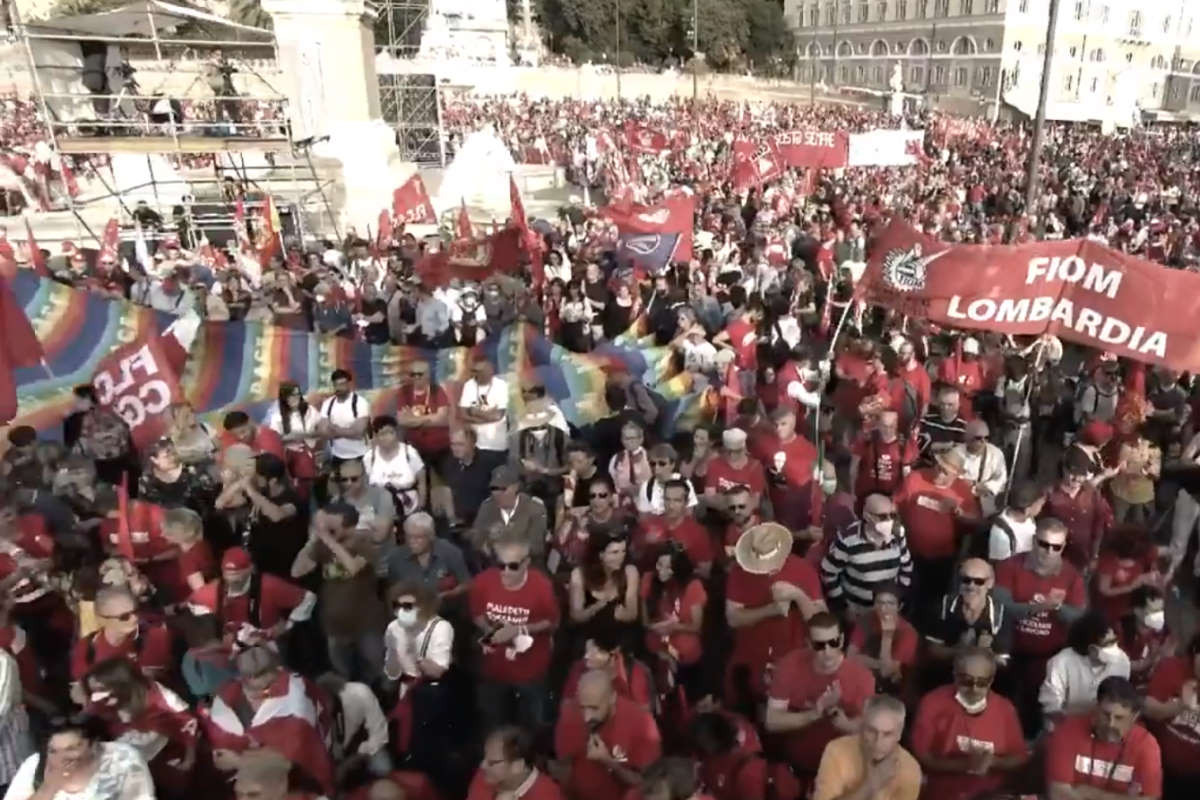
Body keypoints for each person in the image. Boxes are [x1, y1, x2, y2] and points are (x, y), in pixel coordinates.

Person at [200, 644, 334, 795]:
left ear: (277, 671)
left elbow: (295, 761)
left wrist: (239, 761)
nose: (258, 694)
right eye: (250, 686)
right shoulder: (225, 701)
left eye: (267, 688)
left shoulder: (296, 709)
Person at [766, 611, 875, 781]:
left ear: (842, 639)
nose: (828, 651)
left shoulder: (862, 677)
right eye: (820, 645)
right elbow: (772, 721)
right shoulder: (790, 665)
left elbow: (871, 730)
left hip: (842, 769)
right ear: (809, 644)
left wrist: (845, 724)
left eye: (834, 642)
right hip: (797, 764)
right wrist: (816, 713)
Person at [909, 648, 1029, 800]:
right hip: (942, 793)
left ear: (991, 681)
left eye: (982, 682)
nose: (974, 689)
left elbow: (1019, 757)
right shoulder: (932, 703)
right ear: (955, 676)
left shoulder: (1006, 709)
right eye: (966, 681)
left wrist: (993, 762)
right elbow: (921, 756)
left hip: (990, 794)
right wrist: (965, 764)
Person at [726, 523, 827, 703]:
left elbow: (822, 623)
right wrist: (770, 610)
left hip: (793, 660)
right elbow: (733, 618)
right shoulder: (739, 572)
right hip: (752, 659)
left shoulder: (803, 569)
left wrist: (798, 596)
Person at [469, 534, 560, 733]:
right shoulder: (482, 582)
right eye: (500, 565)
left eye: (513, 566)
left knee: (532, 726)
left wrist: (520, 630)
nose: (506, 572)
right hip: (493, 670)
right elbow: (476, 614)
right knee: (494, 724)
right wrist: (491, 631)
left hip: (530, 672)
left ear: (527, 562)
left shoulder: (542, 587)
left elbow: (552, 622)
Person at [292, 503, 389, 685]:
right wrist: (313, 541)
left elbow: (353, 567)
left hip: (366, 624)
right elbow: (297, 571)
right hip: (334, 625)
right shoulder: (323, 546)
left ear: (350, 527)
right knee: (343, 672)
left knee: (376, 670)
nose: (327, 530)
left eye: (332, 527)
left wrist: (328, 540)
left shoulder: (366, 544)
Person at [81, 657, 199, 799]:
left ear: (121, 685)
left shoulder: (162, 701)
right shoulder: (101, 702)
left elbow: (189, 726)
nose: (96, 697)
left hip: (163, 760)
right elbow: (90, 714)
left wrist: (189, 760)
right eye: (93, 691)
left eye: (101, 690)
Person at [1045, 676, 1161, 800]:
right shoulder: (1068, 731)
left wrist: (1092, 794)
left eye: (1119, 718)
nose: (1111, 724)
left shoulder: (1146, 744)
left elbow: (1149, 798)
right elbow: (1058, 794)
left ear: (1134, 717)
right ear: (1096, 707)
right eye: (1106, 714)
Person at [552, 670, 662, 800]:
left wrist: (608, 761)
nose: (587, 717)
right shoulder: (569, 715)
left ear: (612, 698)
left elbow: (649, 783)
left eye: (594, 708)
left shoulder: (642, 723)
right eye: (582, 707)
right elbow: (563, 769)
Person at [186, 545, 316, 650]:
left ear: (250, 569)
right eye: (228, 573)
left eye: (237, 573)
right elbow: (192, 607)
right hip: (230, 652)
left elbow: (308, 598)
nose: (233, 579)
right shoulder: (210, 593)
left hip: (268, 646)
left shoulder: (269, 585)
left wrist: (290, 624)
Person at [3, 714, 156, 800]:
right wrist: (47, 790)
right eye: (53, 751)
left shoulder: (122, 759)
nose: (61, 758)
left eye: (71, 749)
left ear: (94, 746)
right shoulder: (35, 765)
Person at [810, 694, 921, 800]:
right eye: (872, 731)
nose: (878, 741)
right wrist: (869, 786)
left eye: (887, 734)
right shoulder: (836, 750)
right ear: (862, 727)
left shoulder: (910, 769)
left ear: (899, 734)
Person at [820, 493, 914, 617]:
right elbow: (828, 572)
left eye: (892, 515)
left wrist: (900, 597)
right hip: (859, 612)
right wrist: (843, 606)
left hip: (888, 611)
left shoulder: (898, 534)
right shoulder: (848, 539)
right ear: (867, 516)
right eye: (882, 516)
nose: (889, 521)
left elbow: (906, 565)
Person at [1039, 611, 1131, 724]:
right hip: (1065, 725)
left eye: (1115, 641)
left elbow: (1118, 701)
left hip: (1103, 725)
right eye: (1109, 643)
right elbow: (1051, 707)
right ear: (1092, 649)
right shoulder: (1061, 662)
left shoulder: (1122, 661)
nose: (1115, 647)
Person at [640, 542, 706, 697]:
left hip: (685, 655)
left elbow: (696, 626)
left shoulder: (692, 585)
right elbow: (644, 620)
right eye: (659, 565)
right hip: (656, 651)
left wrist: (674, 627)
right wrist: (655, 629)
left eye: (669, 567)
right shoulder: (648, 579)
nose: (662, 571)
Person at [69, 587, 172, 686]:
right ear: (102, 620)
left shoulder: (153, 634)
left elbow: (150, 683)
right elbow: (82, 691)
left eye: (135, 611)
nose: (134, 618)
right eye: (124, 617)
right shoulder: (86, 649)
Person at [925, 559, 1011, 671]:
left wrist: (983, 654)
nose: (971, 586)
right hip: (946, 673)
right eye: (966, 580)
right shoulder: (943, 606)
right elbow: (932, 651)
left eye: (979, 581)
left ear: (990, 583)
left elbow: (1003, 661)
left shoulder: (1001, 614)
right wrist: (961, 651)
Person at [1145, 633, 1200, 800]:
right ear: (1195, 651)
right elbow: (1147, 709)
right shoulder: (1172, 668)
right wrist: (1179, 706)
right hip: (1159, 765)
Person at [314, 671, 392, 786]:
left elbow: (380, 736)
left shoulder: (360, 694)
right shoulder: (309, 714)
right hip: (332, 759)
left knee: (384, 767)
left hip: (362, 747)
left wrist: (350, 762)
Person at [847, 583, 919, 698]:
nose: (883, 608)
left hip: (892, 691)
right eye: (879, 602)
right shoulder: (865, 620)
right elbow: (850, 657)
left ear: (899, 606)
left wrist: (887, 636)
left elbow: (886, 673)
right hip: (862, 679)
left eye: (890, 603)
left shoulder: (908, 633)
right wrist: (879, 664)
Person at [560, 624, 654, 710]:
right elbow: (566, 706)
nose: (587, 656)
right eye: (586, 651)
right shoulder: (579, 667)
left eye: (594, 652)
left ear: (613, 653)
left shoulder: (634, 670)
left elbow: (643, 712)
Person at [568, 532, 639, 644]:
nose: (621, 556)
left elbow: (632, 613)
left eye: (623, 551)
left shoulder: (630, 571)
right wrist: (596, 608)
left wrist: (616, 614)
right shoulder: (579, 574)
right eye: (615, 552)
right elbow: (576, 615)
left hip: (619, 635)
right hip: (589, 636)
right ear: (600, 555)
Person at [633, 479, 714, 577]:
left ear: (686, 502)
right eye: (667, 499)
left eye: (677, 500)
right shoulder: (649, 525)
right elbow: (633, 557)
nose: (671, 506)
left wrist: (680, 567)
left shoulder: (698, 532)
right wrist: (645, 542)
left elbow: (705, 571)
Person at [471, 465, 549, 566]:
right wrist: (487, 539)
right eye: (494, 489)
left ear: (515, 487)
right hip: (494, 567)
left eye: (503, 489)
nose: (497, 494)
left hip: (527, 567)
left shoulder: (534, 508)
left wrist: (505, 537)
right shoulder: (487, 507)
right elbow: (476, 540)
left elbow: (537, 547)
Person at [385, 512, 471, 600]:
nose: (412, 542)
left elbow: (466, 584)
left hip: (447, 609)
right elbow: (392, 594)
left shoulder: (450, 552)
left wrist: (449, 595)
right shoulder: (395, 559)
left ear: (431, 536)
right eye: (408, 536)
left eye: (418, 537)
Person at [467, 725, 565, 800]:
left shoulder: (547, 794)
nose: (483, 765)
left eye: (492, 762)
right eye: (484, 758)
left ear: (517, 766)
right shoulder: (484, 777)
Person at [363, 416, 426, 516]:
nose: (387, 437)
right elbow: (365, 486)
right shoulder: (369, 457)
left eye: (390, 432)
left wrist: (421, 507)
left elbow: (422, 482)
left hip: (410, 509)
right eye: (382, 434)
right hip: (379, 510)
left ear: (396, 433)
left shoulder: (409, 452)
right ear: (375, 436)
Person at [459, 355, 510, 471]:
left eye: (480, 372)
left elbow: (498, 415)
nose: (477, 375)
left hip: (497, 444)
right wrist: (486, 416)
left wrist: (473, 411)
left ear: (490, 371)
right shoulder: (469, 385)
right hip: (475, 445)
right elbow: (462, 414)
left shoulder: (501, 386)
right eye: (474, 371)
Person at [1120, 585, 1174, 690]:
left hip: (1154, 687)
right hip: (1124, 688)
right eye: (1153, 611)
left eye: (1161, 610)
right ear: (1137, 610)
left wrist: (1163, 656)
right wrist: (1148, 661)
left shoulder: (1167, 631)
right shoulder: (1120, 629)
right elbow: (1116, 664)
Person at [438, 426, 492, 528]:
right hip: (459, 520)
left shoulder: (488, 463)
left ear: (472, 443)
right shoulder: (449, 462)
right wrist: (452, 519)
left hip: (483, 519)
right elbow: (447, 490)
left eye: (460, 444)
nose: (455, 448)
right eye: (453, 444)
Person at [320, 369, 371, 464]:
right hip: (336, 455)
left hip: (360, 455)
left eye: (342, 384)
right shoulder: (328, 404)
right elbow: (323, 432)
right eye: (336, 385)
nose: (339, 388)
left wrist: (335, 429)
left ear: (349, 384)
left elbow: (358, 433)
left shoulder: (360, 403)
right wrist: (349, 431)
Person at [987, 480, 1045, 561]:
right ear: (1028, 509)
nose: (1041, 508)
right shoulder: (1001, 533)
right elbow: (1001, 566)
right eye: (1040, 504)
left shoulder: (1030, 520)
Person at [917, 386, 968, 463]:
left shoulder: (963, 428)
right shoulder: (926, 420)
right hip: (924, 464)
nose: (945, 408)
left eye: (950, 405)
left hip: (949, 468)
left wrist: (932, 446)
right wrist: (945, 446)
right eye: (942, 404)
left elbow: (960, 455)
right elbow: (916, 448)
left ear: (958, 404)